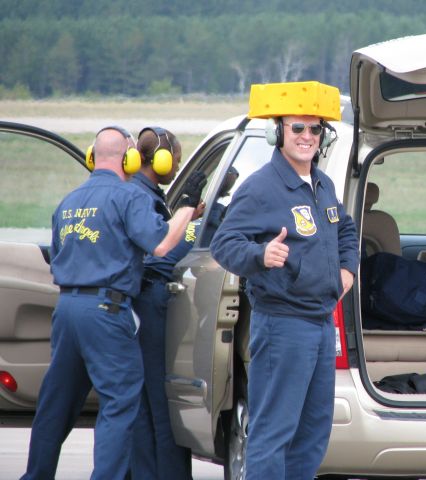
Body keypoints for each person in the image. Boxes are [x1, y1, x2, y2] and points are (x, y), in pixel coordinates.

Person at [21, 125, 206, 480]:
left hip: (67, 311)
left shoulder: (69, 202)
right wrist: (184, 209)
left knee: (54, 407)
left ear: (93, 156)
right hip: (107, 311)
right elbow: (162, 244)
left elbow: (57, 257)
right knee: (120, 406)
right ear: (129, 159)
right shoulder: (129, 198)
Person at [210, 82, 359, 480]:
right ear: (279, 133)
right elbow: (224, 243)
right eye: (297, 128)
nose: (307, 137)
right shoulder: (260, 188)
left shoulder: (322, 185)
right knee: (273, 433)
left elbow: (345, 230)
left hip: (320, 324)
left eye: (315, 130)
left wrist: (347, 270)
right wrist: (260, 255)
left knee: (312, 435)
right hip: (282, 326)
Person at [128, 126, 204, 479]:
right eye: (175, 158)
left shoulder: (145, 194)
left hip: (141, 303)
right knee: (157, 399)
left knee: (146, 397)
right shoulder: (142, 198)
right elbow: (162, 256)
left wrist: (191, 214)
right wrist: (194, 224)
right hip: (150, 300)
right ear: (159, 160)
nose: (177, 165)